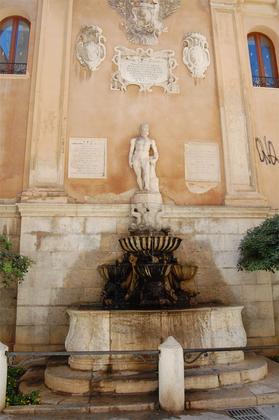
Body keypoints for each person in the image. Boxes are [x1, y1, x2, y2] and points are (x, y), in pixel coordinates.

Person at [129, 123, 159, 192]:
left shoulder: (151, 141)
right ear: (140, 130)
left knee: (146, 173)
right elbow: (131, 151)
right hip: (136, 158)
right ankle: (141, 189)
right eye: (143, 129)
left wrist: (155, 159)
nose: (144, 130)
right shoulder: (134, 140)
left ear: (148, 130)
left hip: (145, 158)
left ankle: (147, 188)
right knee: (138, 175)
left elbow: (156, 152)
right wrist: (129, 160)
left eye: (146, 128)